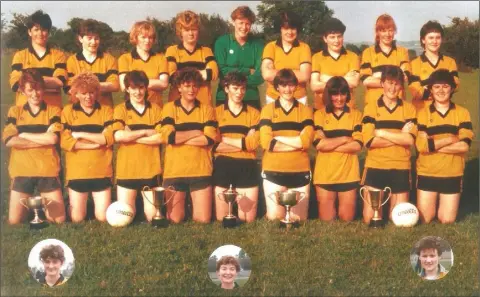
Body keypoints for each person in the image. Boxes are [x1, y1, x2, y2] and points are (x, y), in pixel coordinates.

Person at [2, 69, 66, 225]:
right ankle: (34, 207)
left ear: (43, 89)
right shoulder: (15, 111)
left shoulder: (54, 110)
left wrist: (23, 134)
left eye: (38, 89)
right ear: (23, 91)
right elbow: (9, 140)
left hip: (47, 168)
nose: (35, 94)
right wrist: (41, 138)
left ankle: (48, 205)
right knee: (15, 221)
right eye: (30, 89)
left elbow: (53, 138)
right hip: (22, 169)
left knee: (58, 220)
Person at [361, 65, 417, 224]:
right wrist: (400, 134)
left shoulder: (409, 109)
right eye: (389, 83)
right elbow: (369, 141)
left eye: (397, 83)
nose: (393, 88)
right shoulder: (370, 108)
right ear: (382, 83)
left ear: (401, 86)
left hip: (400, 166)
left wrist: (382, 133)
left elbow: (410, 140)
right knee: (369, 219)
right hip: (375, 165)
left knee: (398, 219)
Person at [160, 67, 217, 223]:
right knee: (175, 219)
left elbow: (209, 139)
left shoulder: (207, 109)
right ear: (179, 87)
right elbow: (169, 137)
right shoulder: (169, 108)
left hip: (200, 169)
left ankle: (192, 203)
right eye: (187, 85)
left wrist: (181, 137)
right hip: (175, 171)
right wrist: (197, 132)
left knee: (203, 220)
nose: (191, 89)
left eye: (194, 86)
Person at [415, 69, 473, 224]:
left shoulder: (462, 113)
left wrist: (432, 145)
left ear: (452, 89)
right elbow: (421, 145)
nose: (441, 91)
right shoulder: (422, 113)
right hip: (427, 171)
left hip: (452, 172)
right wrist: (450, 139)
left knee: (446, 220)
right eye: (437, 87)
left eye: (445, 86)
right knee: (425, 219)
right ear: (431, 90)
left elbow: (464, 146)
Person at [259, 69, 314, 222]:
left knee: (298, 219)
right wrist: (297, 143)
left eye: (291, 85)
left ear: (296, 86)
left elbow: (307, 141)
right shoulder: (267, 110)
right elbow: (266, 143)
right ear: (277, 87)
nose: (287, 89)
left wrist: (278, 139)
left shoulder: (305, 110)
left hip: (299, 169)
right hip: (273, 170)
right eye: (283, 85)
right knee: (275, 218)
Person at [61, 72, 114, 223]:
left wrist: (79, 133)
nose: (88, 97)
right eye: (83, 93)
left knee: (103, 217)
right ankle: (70, 205)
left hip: (101, 169)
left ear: (97, 92)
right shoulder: (67, 112)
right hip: (78, 171)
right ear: (75, 94)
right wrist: (95, 144)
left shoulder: (106, 111)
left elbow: (108, 138)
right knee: (77, 218)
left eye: (91, 92)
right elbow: (66, 142)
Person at [113, 70, 164, 221]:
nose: (138, 92)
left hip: (150, 169)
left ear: (146, 88)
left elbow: (161, 137)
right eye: (134, 88)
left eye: (141, 87)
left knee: (152, 217)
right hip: (127, 170)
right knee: (125, 216)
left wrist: (132, 136)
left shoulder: (155, 109)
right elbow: (118, 136)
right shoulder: (120, 109)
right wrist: (146, 131)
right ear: (127, 89)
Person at [313, 77, 363, 221]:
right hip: (325, 174)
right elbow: (319, 145)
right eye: (335, 94)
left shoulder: (356, 115)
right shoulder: (319, 115)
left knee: (346, 220)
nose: (339, 98)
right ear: (328, 95)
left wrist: (329, 143)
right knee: (327, 221)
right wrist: (345, 138)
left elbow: (358, 145)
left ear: (348, 94)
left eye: (343, 94)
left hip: (348, 173)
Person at [213, 71, 260, 223]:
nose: (240, 93)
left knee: (247, 218)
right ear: (226, 89)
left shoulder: (254, 113)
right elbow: (213, 146)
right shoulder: (215, 113)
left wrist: (224, 139)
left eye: (243, 89)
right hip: (223, 164)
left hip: (247, 165)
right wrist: (243, 144)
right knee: (222, 219)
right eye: (235, 88)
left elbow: (253, 144)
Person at [9, 10, 67, 108]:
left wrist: (28, 83)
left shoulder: (59, 55)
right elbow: (15, 84)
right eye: (36, 29)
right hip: (25, 113)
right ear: (29, 32)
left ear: (48, 32)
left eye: (44, 29)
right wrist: (48, 84)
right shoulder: (20, 56)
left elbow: (60, 82)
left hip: (53, 112)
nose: (40, 33)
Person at [214, 6, 264, 110]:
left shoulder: (258, 45)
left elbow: (260, 73)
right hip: (224, 96)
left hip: (251, 97)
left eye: (247, 24)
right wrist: (247, 70)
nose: (244, 27)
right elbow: (222, 70)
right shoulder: (221, 42)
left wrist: (234, 78)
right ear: (233, 22)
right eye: (241, 23)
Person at [165, 10, 219, 105]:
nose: (191, 33)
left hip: (203, 105)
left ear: (198, 30)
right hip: (177, 106)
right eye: (186, 30)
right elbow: (172, 76)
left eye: (194, 29)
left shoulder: (206, 51)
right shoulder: (172, 51)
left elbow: (213, 74)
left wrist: (182, 74)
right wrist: (201, 73)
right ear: (180, 32)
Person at [261, 11, 312, 106]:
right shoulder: (270, 47)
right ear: (280, 29)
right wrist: (295, 73)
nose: (290, 32)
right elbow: (267, 74)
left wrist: (276, 73)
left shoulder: (304, 48)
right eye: (286, 28)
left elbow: (304, 76)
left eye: (293, 28)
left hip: (299, 99)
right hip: (273, 98)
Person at [65, 19, 119, 106]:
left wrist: (85, 86)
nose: (93, 42)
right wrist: (97, 86)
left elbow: (115, 85)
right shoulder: (71, 61)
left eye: (96, 38)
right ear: (80, 39)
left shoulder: (109, 59)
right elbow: (69, 89)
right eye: (89, 38)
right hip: (79, 112)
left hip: (104, 111)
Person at [360, 14, 410, 106]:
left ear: (394, 31)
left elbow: (404, 77)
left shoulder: (403, 52)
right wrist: (393, 81)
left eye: (390, 30)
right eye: (383, 31)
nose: (387, 34)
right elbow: (366, 80)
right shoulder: (368, 52)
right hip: (373, 105)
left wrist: (378, 75)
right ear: (377, 32)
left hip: (397, 105)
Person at [310, 18, 360, 110]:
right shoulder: (317, 57)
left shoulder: (353, 57)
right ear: (325, 39)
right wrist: (344, 79)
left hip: (347, 110)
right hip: (322, 109)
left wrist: (325, 78)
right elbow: (314, 86)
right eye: (332, 37)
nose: (336, 41)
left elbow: (354, 82)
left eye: (339, 36)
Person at [408, 21, 459, 110]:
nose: (434, 41)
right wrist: (443, 89)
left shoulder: (450, 62)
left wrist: (426, 85)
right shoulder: (413, 64)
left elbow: (455, 85)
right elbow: (416, 92)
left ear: (441, 39)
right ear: (423, 40)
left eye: (438, 38)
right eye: (431, 38)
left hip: (444, 111)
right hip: (421, 113)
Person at [118, 21, 169, 107]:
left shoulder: (161, 58)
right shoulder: (125, 59)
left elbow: (164, 84)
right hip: (132, 110)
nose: (147, 41)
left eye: (150, 37)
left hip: (156, 108)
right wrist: (154, 83)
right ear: (135, 38)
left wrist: (135, 83)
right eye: (143, 37)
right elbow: (124, 86)